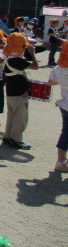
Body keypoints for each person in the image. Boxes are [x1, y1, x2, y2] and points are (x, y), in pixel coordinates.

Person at [2, 32, 39, 150]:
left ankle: (7, 137)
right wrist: (33, 54)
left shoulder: (7, 57)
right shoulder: (17, 61)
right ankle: (17, 139)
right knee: (20, 117)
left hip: (10, 91)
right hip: (19, 92)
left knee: (11, 115)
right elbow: (35, 66)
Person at [48, 40, 68, 172]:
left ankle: (61, 160)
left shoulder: (58, 68)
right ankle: (61, 162)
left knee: (65, 132)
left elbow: (51, 82)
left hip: (64, 104)